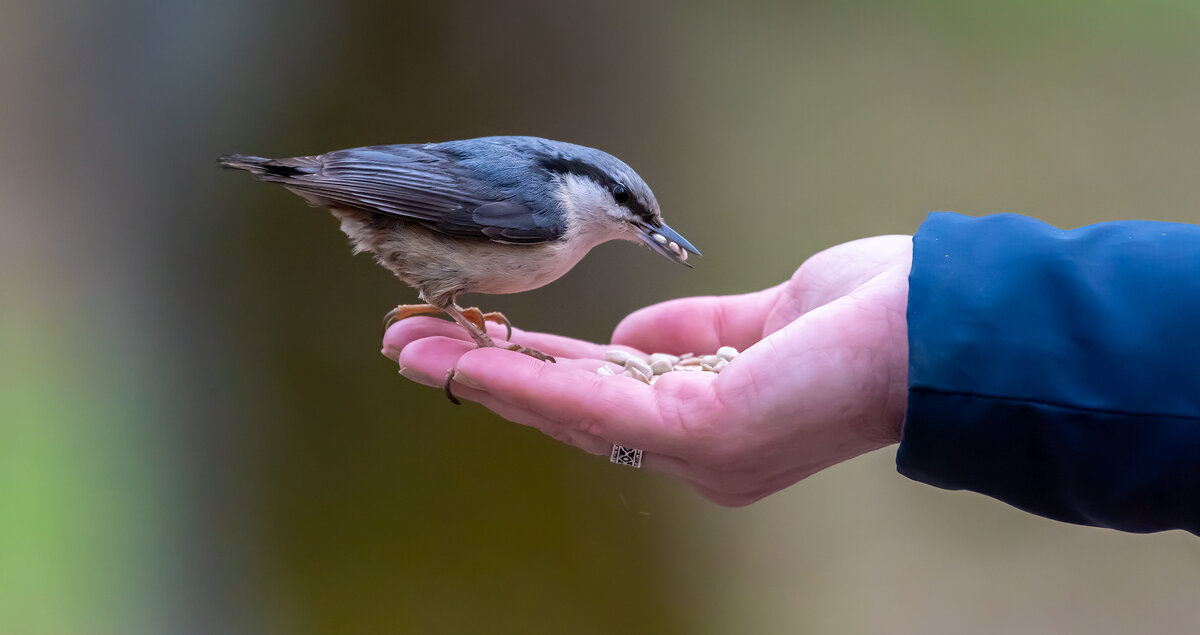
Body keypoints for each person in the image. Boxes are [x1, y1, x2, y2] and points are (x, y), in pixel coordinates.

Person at [382, 212, 1200, 535]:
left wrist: (910, 332)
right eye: (633, 209)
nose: (648, 228)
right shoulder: (533, 207)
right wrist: (918, 321)